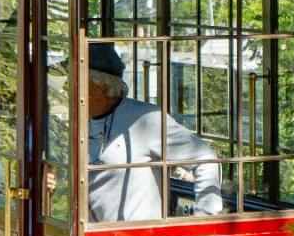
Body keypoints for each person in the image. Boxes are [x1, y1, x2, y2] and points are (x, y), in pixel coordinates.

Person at [84, 42, 223, 222]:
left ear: (99, 85)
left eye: (73, 80)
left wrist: (203, 220)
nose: (65, 87)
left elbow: (206, 159)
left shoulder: (145, 119)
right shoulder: (81, 122)